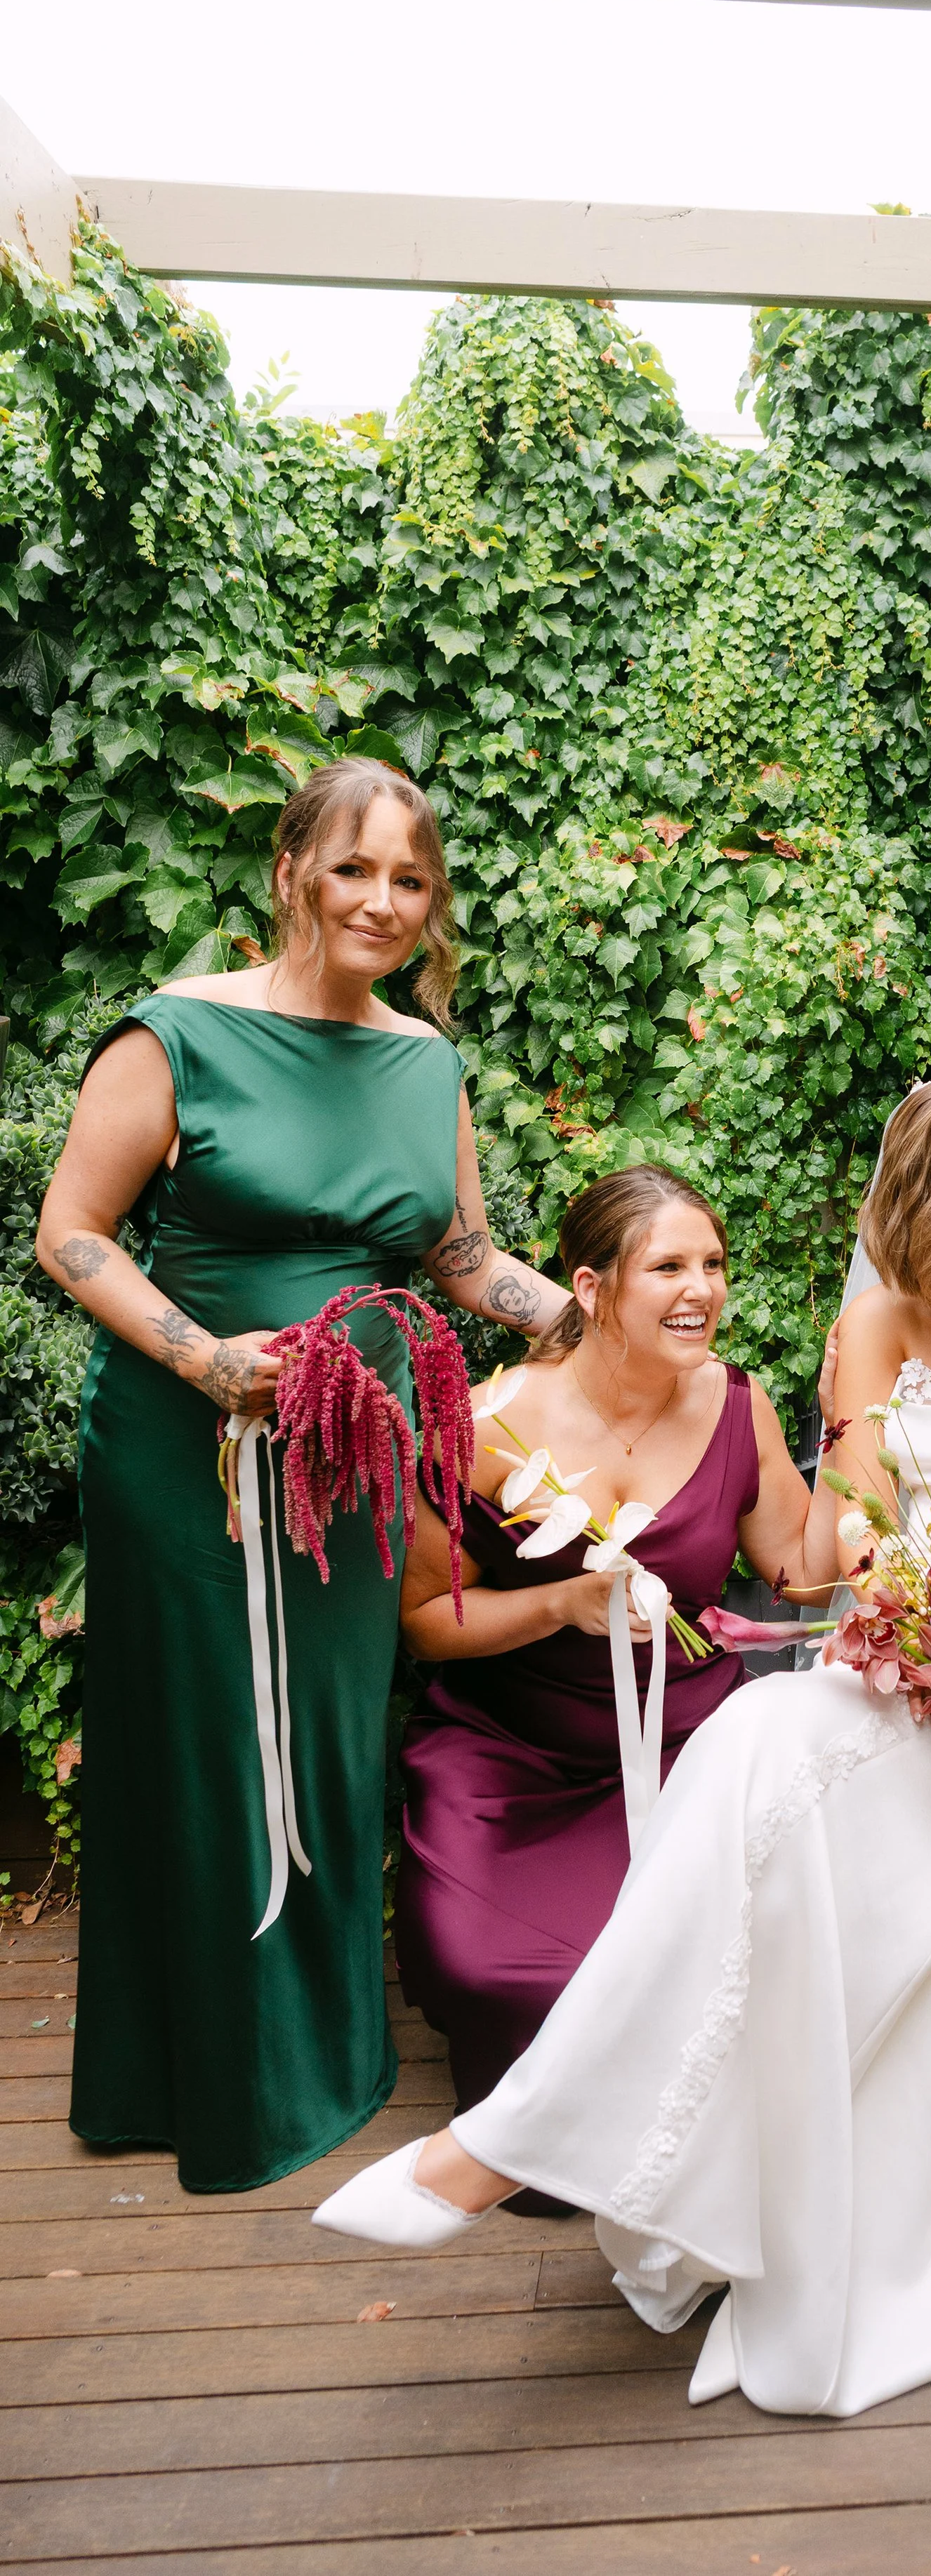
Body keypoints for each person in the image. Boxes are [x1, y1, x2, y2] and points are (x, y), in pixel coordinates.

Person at [314, 1075, 931, 2418]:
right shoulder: (873, 1319)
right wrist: (858, 1510)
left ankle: (500, 2145)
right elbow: (851, 1543)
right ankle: (626, 2172)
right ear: (922, 1196)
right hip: (909, 1651)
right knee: (767, 1742)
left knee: (764, 1747)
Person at [37, 757, 570, 2194]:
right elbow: (71, 1235)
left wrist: (572, 1314)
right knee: (212, 1741)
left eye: (410, 878)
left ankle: (318, 2059)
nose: (382, 901)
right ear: (292, 873)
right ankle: (197, 2076)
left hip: (352, 1444)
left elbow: (458, 1258)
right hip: (186, 1444)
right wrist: (207, 1360)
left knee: (325, 1737)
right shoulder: (178, 1034)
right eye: (354, 869)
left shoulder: (424, 1061)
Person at [395, 1162, 845, 2156]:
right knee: (503, 1971)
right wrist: (560, 1600)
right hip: (509, 1756)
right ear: (592, 1289)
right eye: (669, 1266)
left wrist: (856, 1462)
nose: (703, 1288)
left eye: (714, 1262)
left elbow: (799, 1573)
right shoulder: (486, 1427)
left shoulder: (737, 1403)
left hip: (694, 1749)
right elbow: (425, 1618)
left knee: (733, 1954)